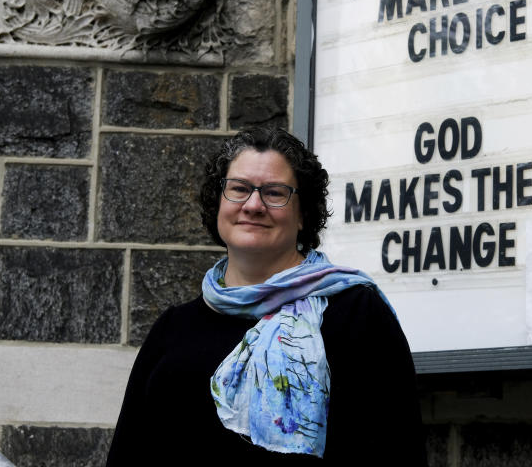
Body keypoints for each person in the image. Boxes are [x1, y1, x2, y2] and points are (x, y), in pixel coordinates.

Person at [106, 127, 427, 466]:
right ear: (219, 204)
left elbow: (398, 450)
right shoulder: (173, 329)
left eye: (274, 193)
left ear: (303, 214)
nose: (253, 205)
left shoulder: (356, 315)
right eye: (239, 189)